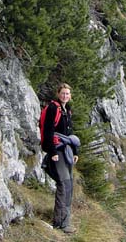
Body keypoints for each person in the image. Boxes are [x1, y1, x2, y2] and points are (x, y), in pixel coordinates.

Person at [42, 83, 79, 234]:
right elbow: (49, 130)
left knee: (69, 185)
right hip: (57, 151)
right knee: (63, 185)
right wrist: (52, 152)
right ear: (58, 94)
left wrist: (75, 151)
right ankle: (60, 223)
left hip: (67, 151)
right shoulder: (53, 108)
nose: (65, 96)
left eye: (67, 94)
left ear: (70, 96)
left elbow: (70, 134)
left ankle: (65, 221)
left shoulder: (67, 110)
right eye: (63, 93)